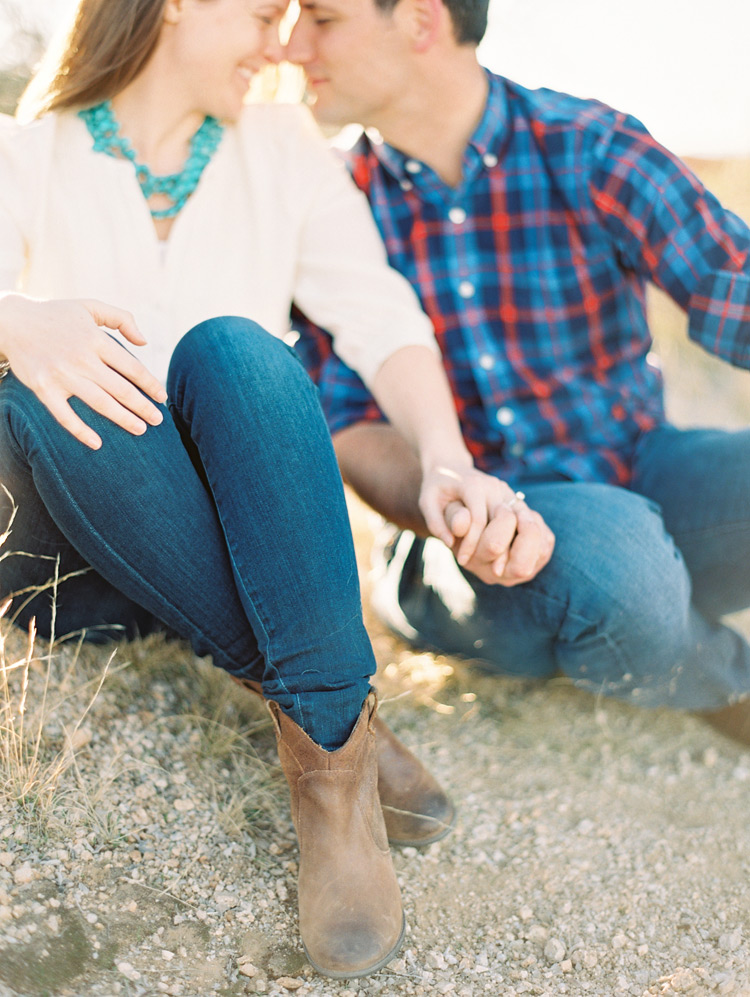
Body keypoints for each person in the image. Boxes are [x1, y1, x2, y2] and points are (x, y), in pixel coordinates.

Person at [0, 0, 518, 978]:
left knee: (239, 352)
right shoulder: (26, 152)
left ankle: (328, 773)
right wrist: (14, 319)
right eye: (265, 13)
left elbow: (378, 313)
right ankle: (342, 711)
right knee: (39, 390)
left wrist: (447, 457)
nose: (283, 43)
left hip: (233, 535)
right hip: (78, 541)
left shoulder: (280, 143)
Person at [285, 0, 750, 740]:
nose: (290, 47)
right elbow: (348, 424)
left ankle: (635, 619)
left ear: (421, 21)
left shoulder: (590, 144)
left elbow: (732, 282)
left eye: (321, 18)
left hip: (642, 470)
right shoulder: (329, 204)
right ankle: (717, 675)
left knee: (633, 540)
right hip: (463, 541)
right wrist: (458, 504)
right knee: (620, 561)